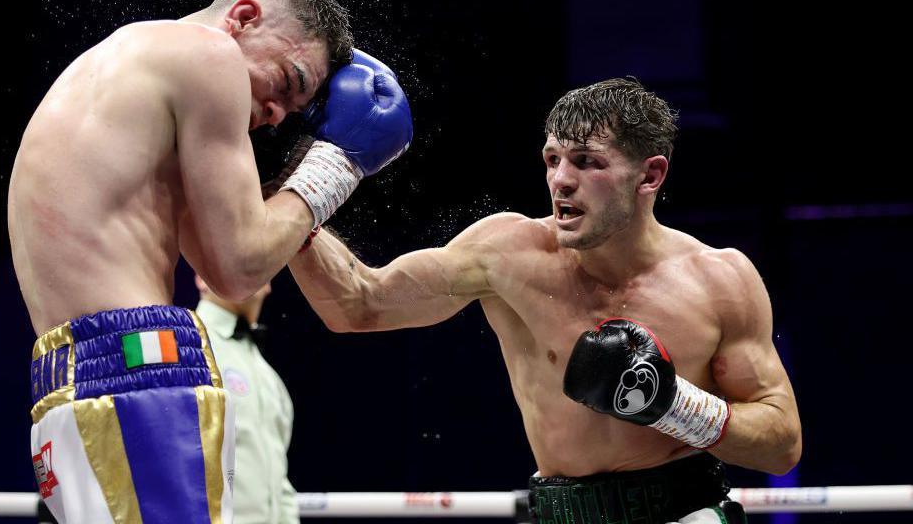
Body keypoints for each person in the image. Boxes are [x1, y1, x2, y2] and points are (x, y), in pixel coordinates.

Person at [288, 78, 801, 523]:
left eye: (586, 162)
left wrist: (673, 405)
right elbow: (358, 303)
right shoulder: (507, 254)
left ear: (650, 176)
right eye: (553, 159)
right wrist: (294, 192)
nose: (561, 179)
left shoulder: (719, 280)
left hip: (685, 512)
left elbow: (782, 444)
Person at [11, 0, 413, 523]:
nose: (275, 117)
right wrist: (336, 167)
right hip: (140, 372)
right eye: (289, 81)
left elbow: (227, 262)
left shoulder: (127, 63)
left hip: (68, 377)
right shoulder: (212, 55)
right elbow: (242, 265)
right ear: (244, 18)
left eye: (292, 113)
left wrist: (291, 190)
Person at [194, 275, 299, 524]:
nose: (246, 267)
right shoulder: (188, 349)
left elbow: (279, 481)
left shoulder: (268, 376)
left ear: (268, 283)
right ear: (201, 277)